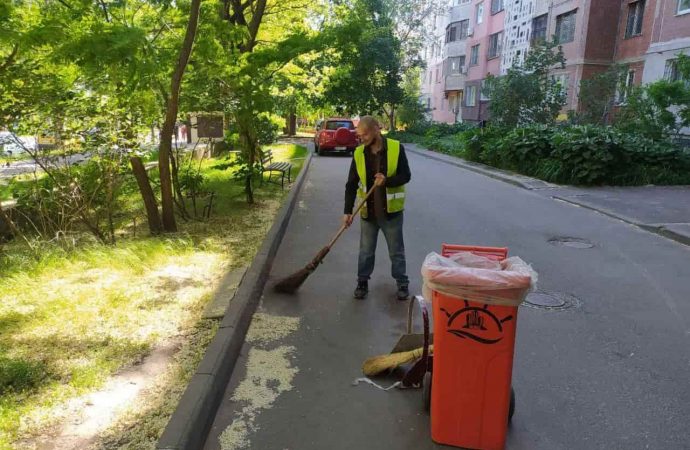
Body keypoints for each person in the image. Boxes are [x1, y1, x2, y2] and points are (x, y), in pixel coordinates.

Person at [343, 116, 411, 301]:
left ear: (376, 130)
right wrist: (347, 212)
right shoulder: (358, 153)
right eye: (359, 135)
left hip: (391, 214)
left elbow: (406, 176)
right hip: (368, 213)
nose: (361, 138)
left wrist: (387, 181)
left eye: (364, 134)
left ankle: (402, 283)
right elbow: (351, 185)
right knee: (366, 252)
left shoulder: (396, 148)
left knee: (396, 251)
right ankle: (362, 283)